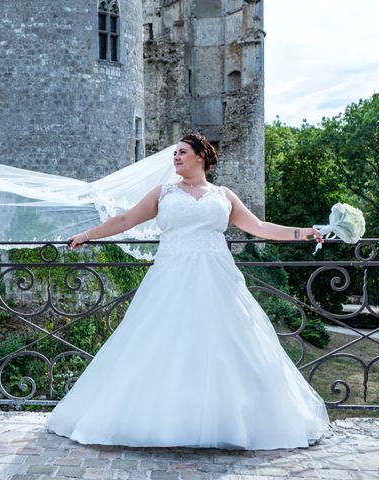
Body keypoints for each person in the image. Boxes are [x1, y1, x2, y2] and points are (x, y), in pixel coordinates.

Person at [45, 132, 330, 450]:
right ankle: (157, 420)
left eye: (182, 152)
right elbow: (125, 219)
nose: (176, 158)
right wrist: (87, 235)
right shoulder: (163, 192)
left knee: (227, 346)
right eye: (174, 153)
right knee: (161, 344)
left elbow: (260, 227)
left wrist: (303, 233)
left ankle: (229, 421)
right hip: (170, 278)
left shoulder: (223, 195)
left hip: (219, 281)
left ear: (201, 156)